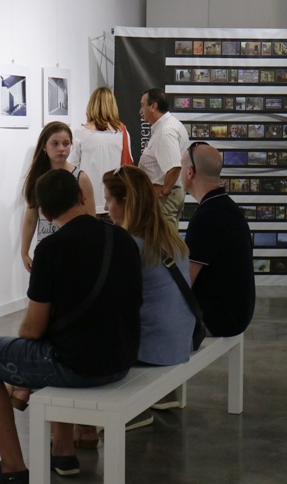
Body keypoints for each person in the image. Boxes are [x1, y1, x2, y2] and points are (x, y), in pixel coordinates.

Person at [0, 169, 143, 483]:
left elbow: (33, 329)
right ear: (82, 197)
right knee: (57, 344)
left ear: (44, 212)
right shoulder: (122, 238)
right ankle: (59, 448)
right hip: (122, 359)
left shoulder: (50, 249)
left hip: (81, 366)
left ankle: (12, 469)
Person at [102, 165, 196, 429]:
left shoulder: (129, 244)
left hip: (154, 351)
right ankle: (165, 394)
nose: (106, 208)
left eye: (109, 200)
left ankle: (130, 410)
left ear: (126, 203)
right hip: (181, 342)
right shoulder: (169, 237)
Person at [179, 142, 255, 337]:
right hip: (235, 313)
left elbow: (186, 280)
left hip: (221, 318)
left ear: (190, 172)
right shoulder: (225, 207)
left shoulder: (208, 216)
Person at [20, 122, 96, 272]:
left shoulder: (81, 178)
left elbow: (90, 218)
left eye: (66, 144)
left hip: (75, 250)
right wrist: (24, 252)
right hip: (46, 248)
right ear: (44, 146)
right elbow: (30, 218)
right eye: (55, 144)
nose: (61, 148)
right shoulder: (37, 178)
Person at [69, 87, 131, 218]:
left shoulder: (80, 132)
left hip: (87, 201)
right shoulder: (121, 131)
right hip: (115, 200)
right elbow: (127, 165)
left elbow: (73, 168)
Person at [137, 88, 190, 229]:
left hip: (165, 199)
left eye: (143, 105)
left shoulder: (165, 131)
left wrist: (164, 191)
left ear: (153, 106)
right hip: (169, 196)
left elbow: (174, 167)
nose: (140, 111)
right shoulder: (170, 125)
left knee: (164, 245)